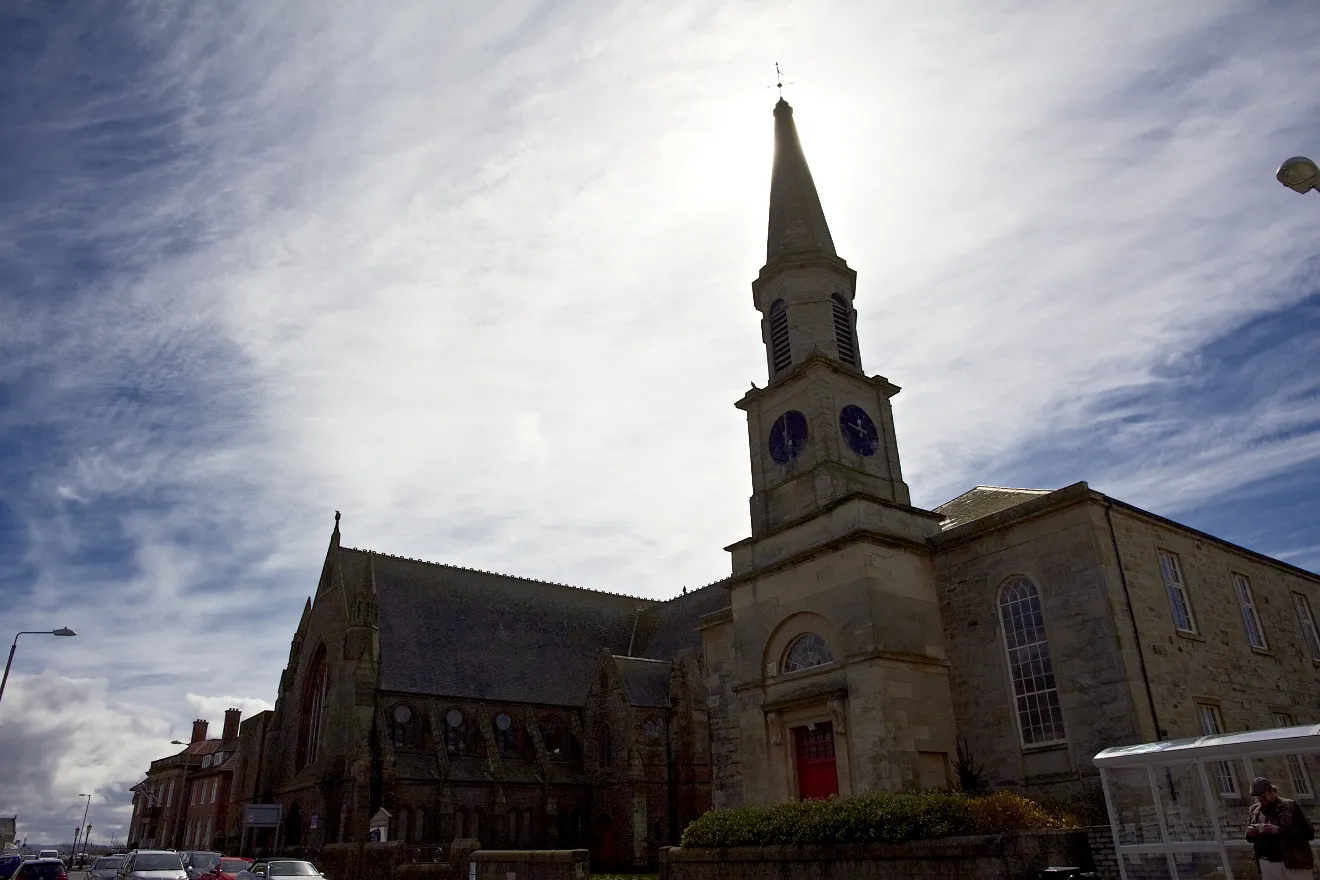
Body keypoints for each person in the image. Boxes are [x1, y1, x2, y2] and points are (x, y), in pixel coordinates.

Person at [1248, 776, 1315, 880]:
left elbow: (1308, 833)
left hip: (1293, 864)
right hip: (1266, 863)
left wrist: (1278, 830)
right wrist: (1251, 833)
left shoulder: (1291, 806)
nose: (1261, 799)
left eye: (1263, 795)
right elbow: (1249, 837)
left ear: (1271, 790)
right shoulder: (1254, 810)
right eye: (1258, 797)